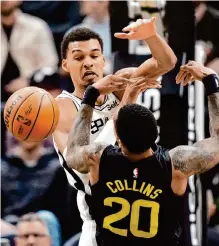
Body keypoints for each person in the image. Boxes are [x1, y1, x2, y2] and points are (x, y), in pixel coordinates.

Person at [65, 60, 219, 246]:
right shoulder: (176, 164)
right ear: (155, 134)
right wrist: (211, 81)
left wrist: (90, 95)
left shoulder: (98, 158)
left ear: (118, 139)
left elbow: (73, 150)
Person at [53, 17, 176, 245]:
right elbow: (82, 163)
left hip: (145, 203)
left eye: (94, 55)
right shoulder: (62, 107)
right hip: (101, 215)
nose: (88, 63)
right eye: (78, 57)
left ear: (104, 60)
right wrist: (126, 103)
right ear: (65, 65)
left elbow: (166, 63)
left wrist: (151, 35)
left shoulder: (119, 83)